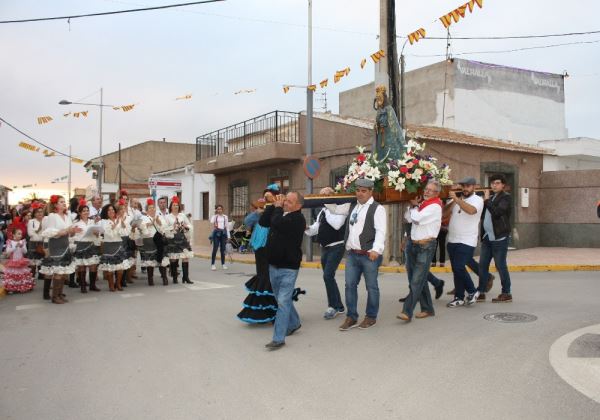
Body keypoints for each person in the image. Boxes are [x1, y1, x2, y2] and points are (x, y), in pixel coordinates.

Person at [339, 178, 387, 331]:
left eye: (363, 191)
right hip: (352, 254)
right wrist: (326, 197)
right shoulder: (353, 206)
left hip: (368, 254)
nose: (360, 193)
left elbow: (381, 230)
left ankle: (371, 316)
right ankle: (351, 316)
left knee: (371, 287)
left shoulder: (377, 208)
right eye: (358, 190)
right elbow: (336, 209)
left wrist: (376, 249)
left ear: (371, 191)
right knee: (349, 285)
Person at [261, 191, 306, 350]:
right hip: (273, 265)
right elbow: (264, 222)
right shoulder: (279, 213)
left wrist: (278, 208)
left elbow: (278, 223)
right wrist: (271, 206)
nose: (285, 203)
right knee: (282, 300)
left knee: (283, 301)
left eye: (290, 202)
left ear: (299, 206)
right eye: (285, 200)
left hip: (288, 268)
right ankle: (294, 323)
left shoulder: (298, 219)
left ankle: (278, 338)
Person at [397, 180, 443, 321]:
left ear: (437, 193)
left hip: (426, 246)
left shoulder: (435, 206)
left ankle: (407, 312)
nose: (426, 191)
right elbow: (408, 219)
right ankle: (428, 309)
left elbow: (417, 218)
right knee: (416, 279)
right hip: (413, 244)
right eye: (426, 189)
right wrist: (411, 206)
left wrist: (415, 207)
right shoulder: (422, 204)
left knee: (416, 281)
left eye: (430, 190)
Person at [237, 185, 280, 325]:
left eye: (269, 196)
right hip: (260, 248)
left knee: (270, 278)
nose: (267, 198)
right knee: (263, 276)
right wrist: (257, 213)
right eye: (265, 196)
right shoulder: (259, 210)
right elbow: (247, 222)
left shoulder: (278, 209)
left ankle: (274, 311)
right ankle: (261, 312)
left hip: (272, 247)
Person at [304, 186, 347, 320]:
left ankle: (332, 306)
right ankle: (339, 306)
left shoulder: (341, 208)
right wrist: (307, 228)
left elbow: (337, 225)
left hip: (337, 246)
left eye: (325, 195)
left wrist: (328, 209)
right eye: (321, 195)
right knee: (329, 277)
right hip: (325, 247)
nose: (322, 198)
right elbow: (316, 227)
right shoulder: (323, 210)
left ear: (332, 196)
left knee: (328, 276)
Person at [444, 177, 484, 308]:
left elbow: (471, 211)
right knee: (456, 269)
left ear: (474, 187)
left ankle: (472, 291)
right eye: (463, 185)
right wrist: (453, 201)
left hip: (467, 240)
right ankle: (459, 297)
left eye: (468, 186)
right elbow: (443, 214)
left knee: (459, 267)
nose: (465, 188)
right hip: (452, 239)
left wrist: (457, 200)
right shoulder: (455, 199)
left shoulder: (478, 200)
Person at [478, 174, 514, 303]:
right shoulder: (491, 198)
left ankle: (506, 293)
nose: (494, 185)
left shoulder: (506, 198)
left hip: (500, 238)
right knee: (482, 265)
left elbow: (498, 213)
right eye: (492, 183)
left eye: (497, 183)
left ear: (503, 185)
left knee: (500, 266)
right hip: (487, 237)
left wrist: (487, 201)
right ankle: (481, 292)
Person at [40, 195, 81, 304]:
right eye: (61, 202)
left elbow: (70, 233)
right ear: (55, 205)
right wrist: (67, 230)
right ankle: (54, 297)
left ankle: (59, 294)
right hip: (56, 245)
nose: (64, 203)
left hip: (65, 245)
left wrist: (73, 231)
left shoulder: (67, 216)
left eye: (64, 202)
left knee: (63, 272)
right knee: (58, 271)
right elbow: (52, 233)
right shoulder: (52, 216)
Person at [399, 207, 445, 303]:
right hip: (410, 239)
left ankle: (415, 295)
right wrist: (404, 239)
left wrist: (414, 206)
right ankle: (435, 283)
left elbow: (416, 221)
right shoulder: (408, 206)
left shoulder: (421, 206)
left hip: (419, 240)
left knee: (418, 269)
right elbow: (407, 223)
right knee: (412, 268)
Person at [98, 203, 131, 292]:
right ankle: (111, 285)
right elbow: (110, 234)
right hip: (109, 246)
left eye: (112, 209)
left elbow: (125, 233)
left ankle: (118, 283)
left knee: (120, 267)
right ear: (106, 212)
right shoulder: (103, 222)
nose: (111, 211)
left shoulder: (119, 220)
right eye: (109, 210)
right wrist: (116, 225)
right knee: (110, 268)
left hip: (119, 245)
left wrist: (122, 223)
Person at [72, 199, 101, 293]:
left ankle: (92, 285)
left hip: (91, 244)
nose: (86, 212)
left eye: (87, 211)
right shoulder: (76, 223)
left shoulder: (92, 222)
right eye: (84, 211)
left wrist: (96, 233)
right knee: (82, 266)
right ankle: (83, 286)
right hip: (81, 245)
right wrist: (76, 232)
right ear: (79, 213)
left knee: (93, 265)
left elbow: (97, 235)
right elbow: (72, 236)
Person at [139, 198, 169, 286]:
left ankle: (164, 278)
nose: (152, 209)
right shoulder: (143, 218)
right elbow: (141, 228)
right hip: (149, 241)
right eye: (150, 208)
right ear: (147, 210)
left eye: (153, 208)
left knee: (162, 259)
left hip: (159, 241)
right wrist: (149, 224)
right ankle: (150, 279)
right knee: (150, 261)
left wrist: (159, 223)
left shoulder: (159, 217)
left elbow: (164, 229)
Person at [164, 196, 194, 284]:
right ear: (171, 206)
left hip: (182, 238)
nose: (175, 206)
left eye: (177, 205)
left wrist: (185, 227)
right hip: (173, 239)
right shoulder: (167, 217)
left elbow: (189, 226)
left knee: (185, 257)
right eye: (174, 205)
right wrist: (172, 227)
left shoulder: (183, 216)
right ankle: (174, 277)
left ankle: (185, 277)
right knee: (174, 258)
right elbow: (165, 228)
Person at [374, 85, 406, 161]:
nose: (378, 101)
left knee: (390, 153)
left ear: (384, 98)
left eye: (380, 99)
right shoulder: (379, 111)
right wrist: (377, 125)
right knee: (381, 153)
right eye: (377, 99)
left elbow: (393, 124)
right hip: (381, 136)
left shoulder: (389, 109)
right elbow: (377, 121)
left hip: (389, 136)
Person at [2, 227, 36, 293]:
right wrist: (15, 246)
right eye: (18, 234)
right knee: (14, 275)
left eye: (21, 234)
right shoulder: (10, 242)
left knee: (22, 274)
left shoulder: (22, 241)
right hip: (13, 261)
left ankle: (22, 287)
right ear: (13, 234)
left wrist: (22, 246)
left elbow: (25, 251)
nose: (20, 235)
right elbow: (8, 251)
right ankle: (13, 288)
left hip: (21, 261)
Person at [26, 204, 46, 280]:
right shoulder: (31, 221)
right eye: (37, 212)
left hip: (42, 243)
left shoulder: (45, 220)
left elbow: (46, 233)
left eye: (41, 212)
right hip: (33, 243)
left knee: (41, 261)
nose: (40, 213)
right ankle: (31, 278)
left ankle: (41, 275)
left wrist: (38, 233)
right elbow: (30, 234)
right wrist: (39, 229)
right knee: (33, 262)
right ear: (34, 214)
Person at [210, 204, 230, 270]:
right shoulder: (215, 217)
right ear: (216, 210)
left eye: (220, 209)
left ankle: (223, 264)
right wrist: (215, 214)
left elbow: (227, 226)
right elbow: (211, 221)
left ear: (222, 209)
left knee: (223, 249)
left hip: (223, 234)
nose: (219, 210)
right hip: (216, 234)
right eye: (218, 209)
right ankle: (213, 264)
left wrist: (228, 236)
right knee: (215, 248)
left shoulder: (225, 217)